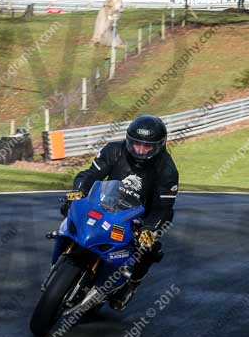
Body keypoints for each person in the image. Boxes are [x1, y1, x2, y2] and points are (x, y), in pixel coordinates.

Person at [60, 115, 179, 310]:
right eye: (135, 144)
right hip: (104, 203)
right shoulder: (114, 150)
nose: (139, 150)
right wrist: (78, 190)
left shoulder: (167, 170)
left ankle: (131, 285)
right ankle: (65, 246)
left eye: (146, 146)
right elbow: (89, 175)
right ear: (128, 139)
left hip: (139, 217)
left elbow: (163, 208)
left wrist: (149, 228)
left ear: (159, 146)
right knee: (70, 207)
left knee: (150, 248)